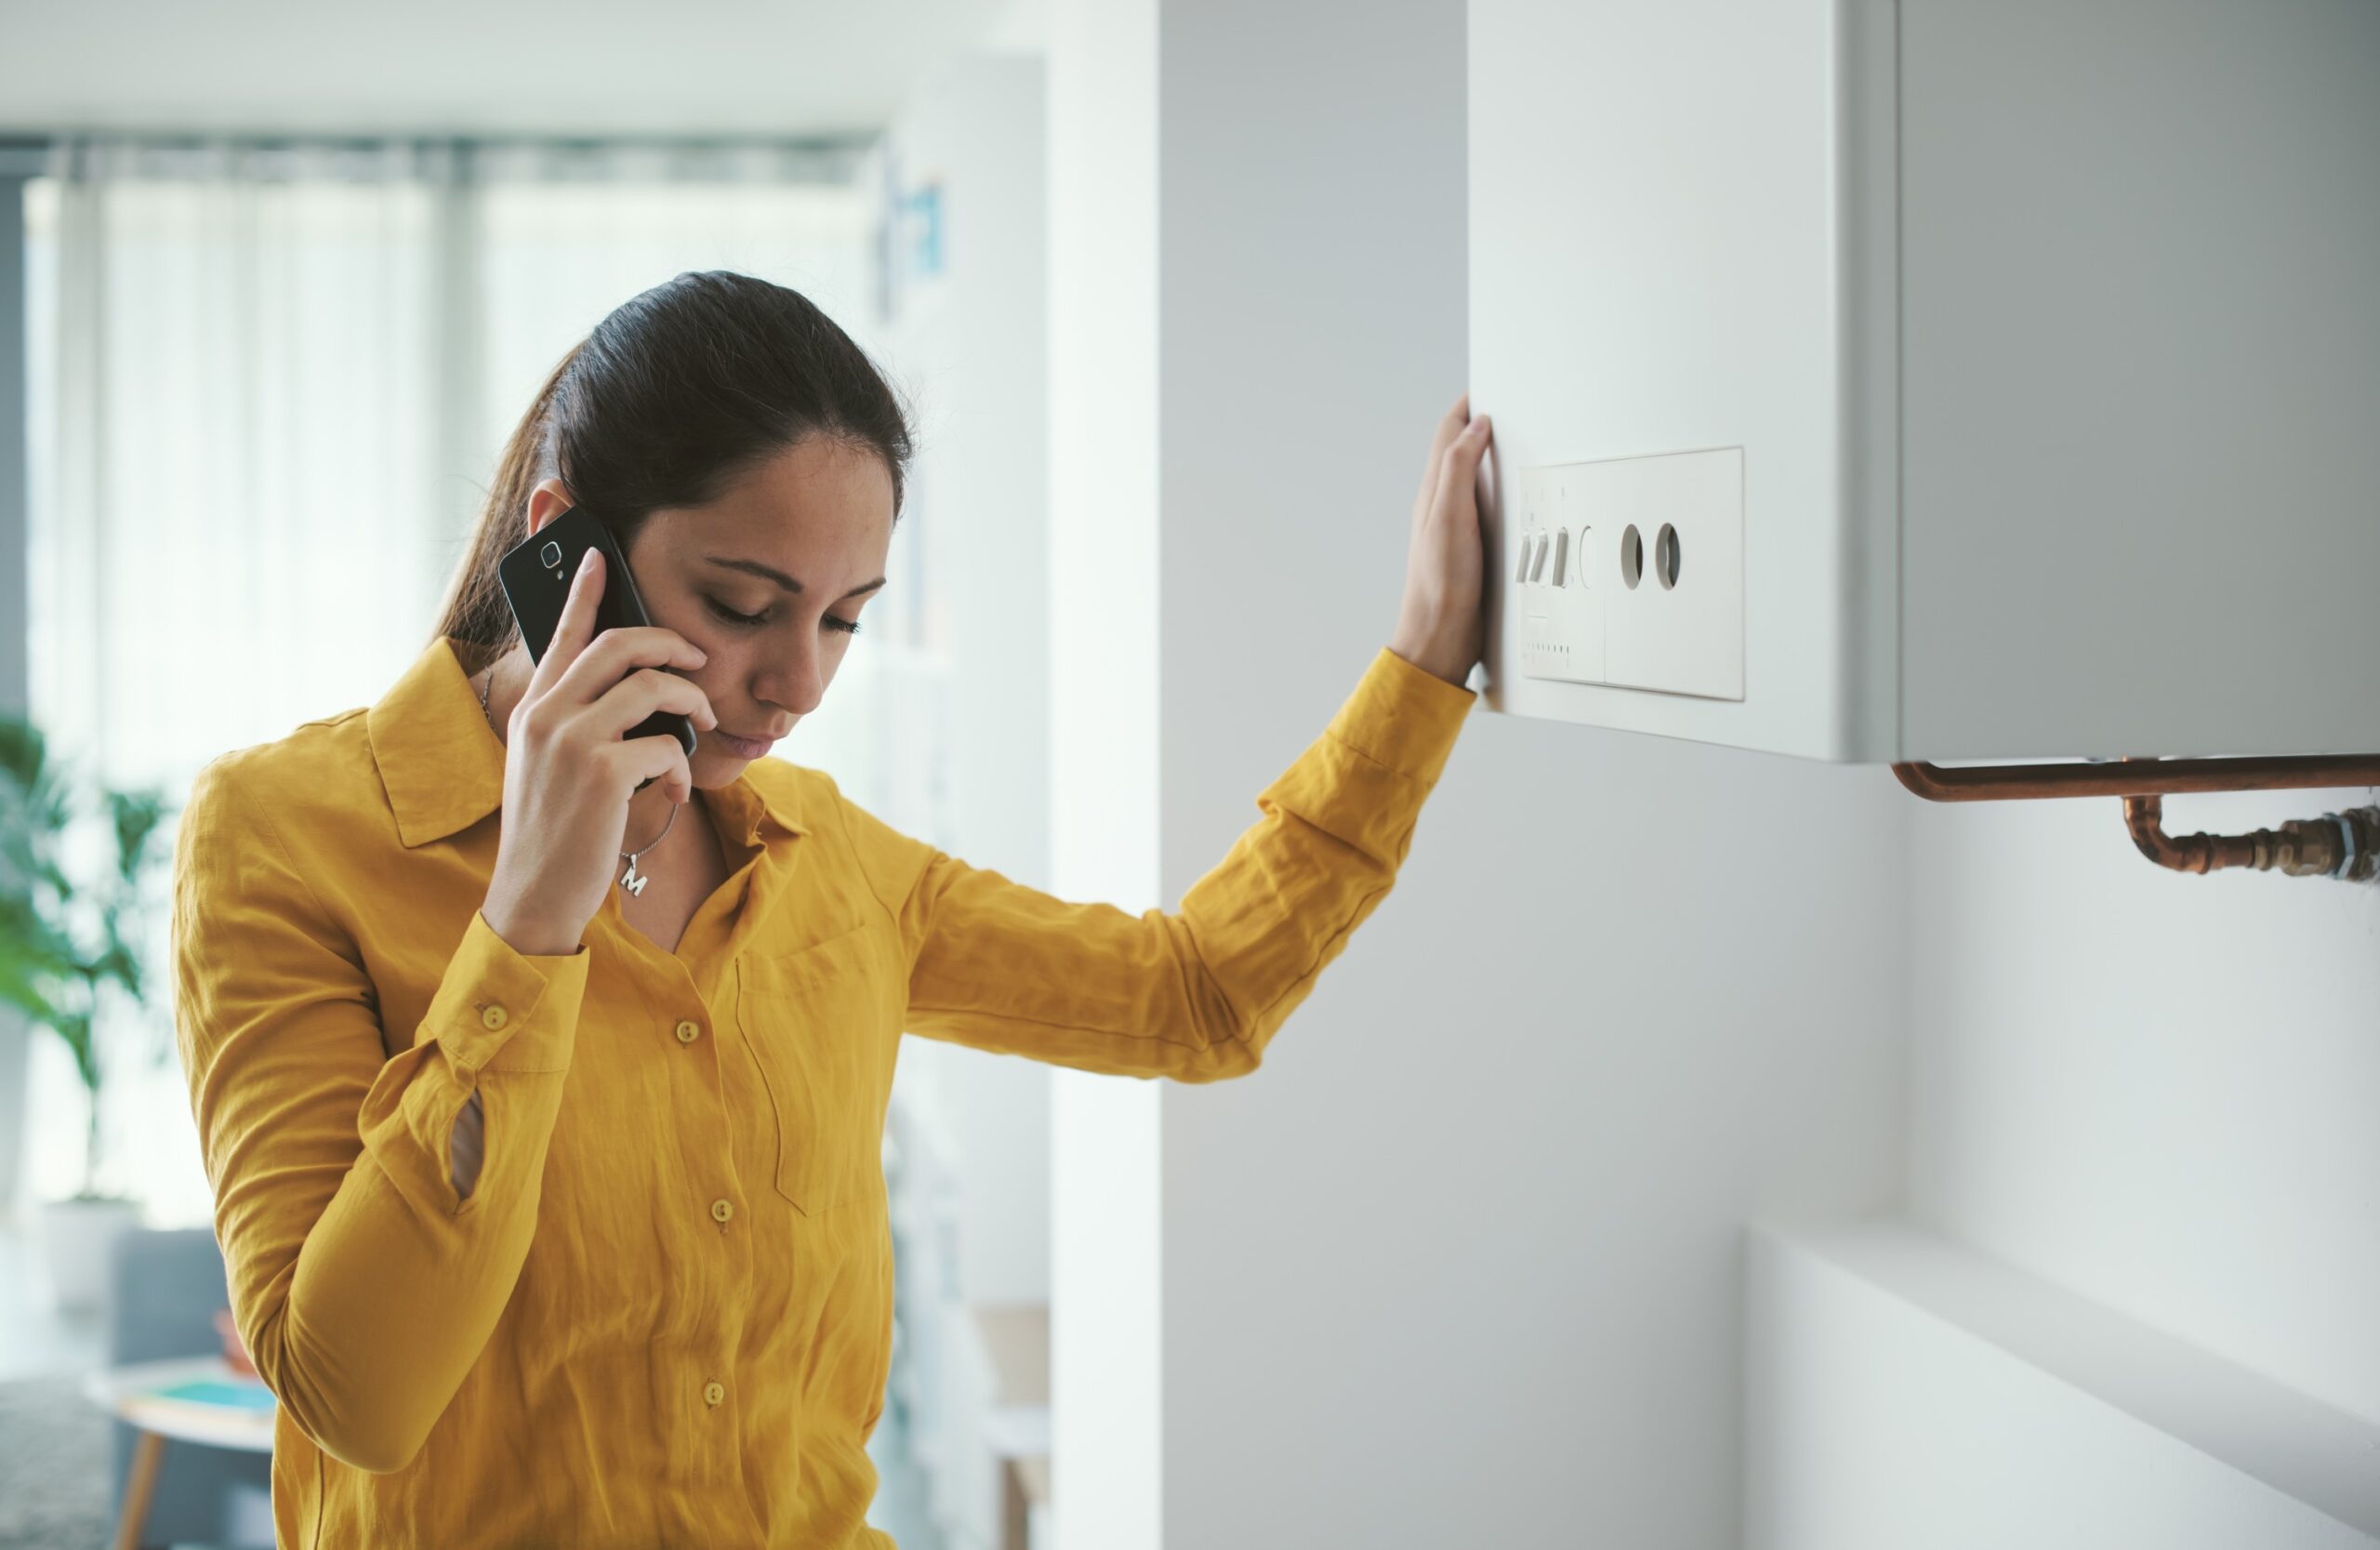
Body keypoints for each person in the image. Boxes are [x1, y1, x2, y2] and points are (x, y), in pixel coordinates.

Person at [170, 269, 1489, 1548]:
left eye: (845, 621)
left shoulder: (832, 866)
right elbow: (358, 1398)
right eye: (742, 606)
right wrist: (531, 924)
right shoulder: (285, 838)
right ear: (563, 542)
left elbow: (1196, 999)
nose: (795, 683)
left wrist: (1425, 663)